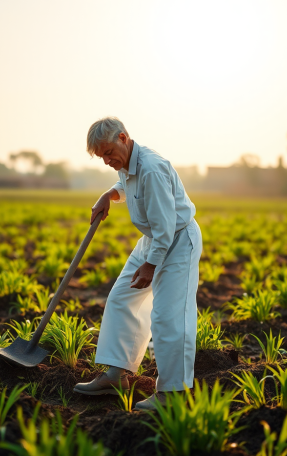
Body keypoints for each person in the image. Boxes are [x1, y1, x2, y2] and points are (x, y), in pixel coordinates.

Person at [73, 117, 202, 410]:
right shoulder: (128, 163)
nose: (107, 161)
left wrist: (151, 266)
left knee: (169, 317)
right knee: (121, 299)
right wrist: (110, 194)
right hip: (153, 239)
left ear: (123, 137)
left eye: (108, 153)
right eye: (101, 157)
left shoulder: (152, 168)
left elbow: (166, 227)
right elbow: (124, 182)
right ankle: (116, 375)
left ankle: (172, 395)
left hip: (178, 241)